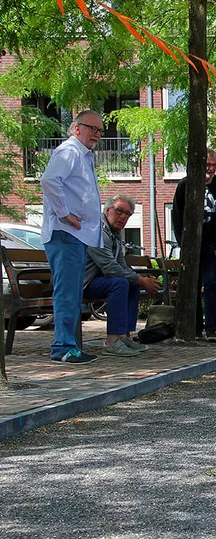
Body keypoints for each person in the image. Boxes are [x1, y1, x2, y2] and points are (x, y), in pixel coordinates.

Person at [40, 110, 105, 364]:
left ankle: (70, 346)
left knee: (72, 292)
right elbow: (49, 180)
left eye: (100, 131)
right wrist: (65, 213)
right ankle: (63, 348)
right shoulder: (69, 151)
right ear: (77, 128)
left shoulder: (82, 155)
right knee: (67, 292)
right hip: (65, 233)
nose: (97, 135)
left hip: (75, 235)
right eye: (93, 129)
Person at [84, 195, 162, 356]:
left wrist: (139, 280)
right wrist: (141, 280)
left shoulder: (115, 233)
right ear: (107, 210)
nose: (123, 217)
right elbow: (110, 267)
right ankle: (112, 340)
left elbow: (120, 264)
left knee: (130, 282)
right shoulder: (97, 231)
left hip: (99, 280)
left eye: (127, 214)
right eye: (119, 211)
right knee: (121, 283)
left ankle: (124, 336)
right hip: (83, 283)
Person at [171, 148, 216, 342]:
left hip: (211, 243)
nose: (210, 169)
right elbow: (177, 216)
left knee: (211, 283)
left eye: (213, 165)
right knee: (192, 285)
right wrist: (183, 243)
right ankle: (195, 328)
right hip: (191, 245)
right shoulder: (185, 185)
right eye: (208, 165)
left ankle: (211, 329)